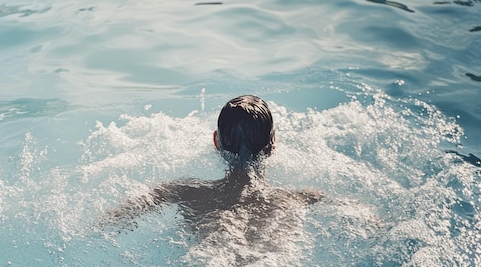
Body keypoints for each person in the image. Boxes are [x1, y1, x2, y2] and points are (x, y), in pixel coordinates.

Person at [102, 95, 321, 239]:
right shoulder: (298, 199)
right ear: (272, 146)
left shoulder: (183, 192)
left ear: (216, 142)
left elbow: (111, 221)